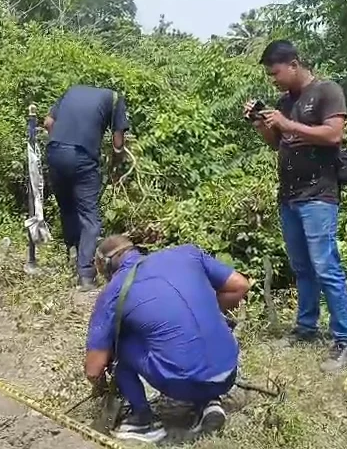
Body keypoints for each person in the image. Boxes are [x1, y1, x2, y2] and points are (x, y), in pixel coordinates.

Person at [245, 40, 347, 372]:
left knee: (326, 266)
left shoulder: (327, 91)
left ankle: (346, 341)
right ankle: (306, 329)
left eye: (276, 73)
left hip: (319, 194)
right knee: (302, 268)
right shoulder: (285, 102)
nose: (274, 80)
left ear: (294, 64)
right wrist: (262, 124)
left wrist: (288, 124)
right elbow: (276, 144)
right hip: (290, 196)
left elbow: (334, 135)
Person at [84, 235, 250, 443]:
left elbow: (93, 368)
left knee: (120, 340)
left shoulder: (113, 292)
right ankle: (209, 402)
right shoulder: (188, 253)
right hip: (228, 373)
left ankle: (143, 421)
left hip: (184, 383)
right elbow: (240, 286)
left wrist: (101, 381)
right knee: (193, 328)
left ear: (106, 266)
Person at [44, 85, 130, 290]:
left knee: (68, 209)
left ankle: (72, 253)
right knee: (90, 218)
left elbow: (48, 123)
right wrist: (117, 161)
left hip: (54, 151)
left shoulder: (72, 91)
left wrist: (63, 144)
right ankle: (85, 275)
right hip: (82, 156)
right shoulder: (116, 98)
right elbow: (118, 142)